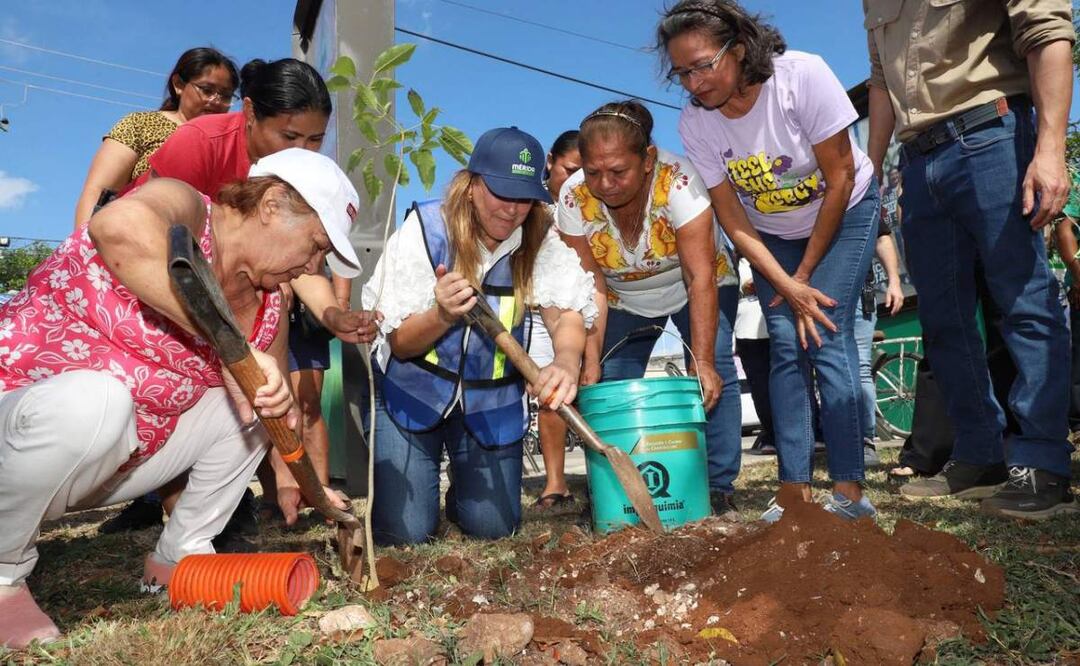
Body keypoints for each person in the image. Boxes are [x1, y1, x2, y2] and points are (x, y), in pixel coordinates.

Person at [0, 148, 360, 648]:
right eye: (316, 245)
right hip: (21, 426)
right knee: (98, 400)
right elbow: (115, 228)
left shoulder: (271, 302)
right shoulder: (186, 208)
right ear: (273, 204)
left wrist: (296, 481)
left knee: (258, 398)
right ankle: (2, 574)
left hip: (111, 459)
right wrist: (231, 345)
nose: (312, 265)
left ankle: (179, 557)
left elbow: (272, 410)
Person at [101, 57, 375, 540]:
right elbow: (142, 235)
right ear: (250, 112)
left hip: (236, 296)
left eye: (316, 140)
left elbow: (296, 261)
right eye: (290, 137)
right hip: (159, 289)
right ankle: (176, 507)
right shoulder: (199, 145)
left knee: (262, 392)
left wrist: (330, 312)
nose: (305, 150)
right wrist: (229, 344)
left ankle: (217, 514)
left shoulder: (295, 194)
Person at [659, 0, 880, 522]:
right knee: (784, 344)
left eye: (703, 65)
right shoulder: (696, 123)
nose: (693, 83)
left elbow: (840, 178)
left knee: (826, 334)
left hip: (844, 211)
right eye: (681, 72)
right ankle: (794, 492)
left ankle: (849, 493)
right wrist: (784, 277)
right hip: (770, 235)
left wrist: (803, 279)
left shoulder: (801, 78)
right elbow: (733, 219)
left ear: (739, 49)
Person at [863, 0, 1078, 519]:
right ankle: (980, 456)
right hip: (918, 161)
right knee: (943, 321)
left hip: (992, 134)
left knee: (1023, 300)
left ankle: (1041, 461)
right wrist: (870, 174)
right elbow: (880, 82)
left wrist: (1049, 148)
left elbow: (1047, 29)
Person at [362, 126, 596, 545]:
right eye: (501, 193)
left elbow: (567, 314)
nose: (512, 210)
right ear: (472, 186)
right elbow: (401, 343)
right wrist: (441, 314)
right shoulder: (427, 229)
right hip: (413, 391)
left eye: (524, 198)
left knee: (495, 528)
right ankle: (418, 489)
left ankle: (462, 494)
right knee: (405, 534)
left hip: (490, 401)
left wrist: (565, 360)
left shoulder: (539, 235)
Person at [556, 100, 742, 515]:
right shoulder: (572, 199)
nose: (605, 184)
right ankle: (619, 485)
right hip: (622, 297)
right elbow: (592, 285)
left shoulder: (679, 182)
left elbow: (699, 278)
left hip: (698, 283)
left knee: (711, 378)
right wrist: (590, 361)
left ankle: (718, 485)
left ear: (647, 160)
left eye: (618, 171)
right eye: (593, 172)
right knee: (608, 386)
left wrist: (705, 359)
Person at [73, 47, 239, 226]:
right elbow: (98, 190)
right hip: (130, 238)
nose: (215, 100)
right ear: (178, 84)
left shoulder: (230, 146)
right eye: (207, 90)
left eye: (225, 95)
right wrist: (85, 248)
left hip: (200, 248)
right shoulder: (140, 124)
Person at [529, 129, 583, 508]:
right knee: (544, 395)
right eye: (570, 169)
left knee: (570, 391)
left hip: (575, 308)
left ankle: (570, 479)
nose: (577, 180)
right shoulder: (528, 206)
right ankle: (552, 481)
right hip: (533, 307)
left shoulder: (587, 204)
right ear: (550, 161)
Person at [854, 222, 905, 466]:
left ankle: (866, 441)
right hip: (815, 291)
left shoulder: (860, 189)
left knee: (860, 367)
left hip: (858, 295)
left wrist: (894, 282)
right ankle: (833, 439)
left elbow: (882, 237)